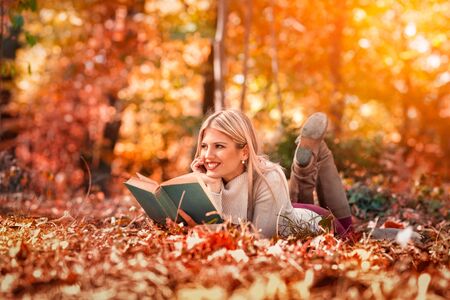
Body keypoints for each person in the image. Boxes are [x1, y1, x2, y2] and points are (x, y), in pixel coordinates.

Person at [183, 109, 352, 239]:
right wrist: (209, 186)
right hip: (283, 213)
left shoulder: (270, 178)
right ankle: (309, 161)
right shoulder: (211, 177)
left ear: (244, 152)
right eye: (204, 146)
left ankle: (315, 154)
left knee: (348, 231)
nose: (207, 155)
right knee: (288, 208)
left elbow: (261, 241)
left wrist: (207, 231)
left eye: (219, 146)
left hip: (320, 223)